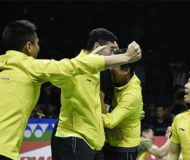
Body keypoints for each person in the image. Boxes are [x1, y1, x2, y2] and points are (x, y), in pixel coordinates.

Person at [0, 20, 142, 160]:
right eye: (37, 43)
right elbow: (69, 67)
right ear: (28, 47)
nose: (39, 47)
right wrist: (126, 57)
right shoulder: (32, 66)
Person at [51, 28, 142, 160]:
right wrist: (111, 124)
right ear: (97, 47)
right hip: (74, 137)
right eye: (111, 50)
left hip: (92, 140)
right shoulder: (76, 67)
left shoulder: (100, 70)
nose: (114, 55)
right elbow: (54, 77)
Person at [100, 48, 143, 160]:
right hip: (109, 143)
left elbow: (110, 122)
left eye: (114, 66)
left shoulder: (132, 94)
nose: (110, 68)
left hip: (124, 148)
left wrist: (86, 112)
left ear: (126, 70)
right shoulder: (117, 80)